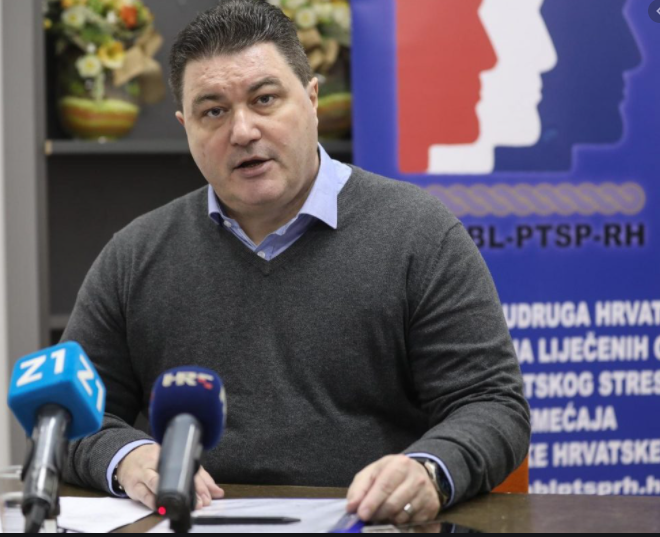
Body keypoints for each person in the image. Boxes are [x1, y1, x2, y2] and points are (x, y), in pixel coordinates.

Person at [61, 0, 530, 526]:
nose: (242, 131)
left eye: (264, 99)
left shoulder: (418, 233)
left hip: (366, 521)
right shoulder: (135, 254)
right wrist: (127, 458)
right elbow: (68, 418)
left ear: (312, 99)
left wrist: (428, 469)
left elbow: (491, 405)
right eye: (213, 111)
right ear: (185, 126)